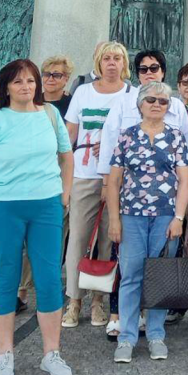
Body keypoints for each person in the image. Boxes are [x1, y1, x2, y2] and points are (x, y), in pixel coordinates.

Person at [0, 59, 74, 375]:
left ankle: (51, 353)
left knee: (50, 277)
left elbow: (66, 156)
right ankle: (5, 355)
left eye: (31, 81)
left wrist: (65, 193)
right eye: (19, 82)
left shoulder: (51, 116)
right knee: (7, 278)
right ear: (6, 86)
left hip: (46, 206)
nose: (27, 87)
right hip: (4, 208)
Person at [106, 81, 188, 363]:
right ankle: (127, 337)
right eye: (151, 100)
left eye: (163, 101)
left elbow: (184, 180)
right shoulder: (127, 136)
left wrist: (179, 218)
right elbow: (115, 180)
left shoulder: (176, 136)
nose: (157, 104)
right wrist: (114, 220)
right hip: (131, 215)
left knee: (160, 275)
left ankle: (155, 335)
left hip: (166, 215)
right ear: (140, 104)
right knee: (131, 275)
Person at [62, 41, 131, 329]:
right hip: (85, 171)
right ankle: (74, 300)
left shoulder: (133, 95)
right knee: (78, 237)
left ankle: (98, 301)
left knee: (108, 239)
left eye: (117, 58)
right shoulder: (83, 92)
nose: (112, 63)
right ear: (98, 63)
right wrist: (63, 178)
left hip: (119, 176)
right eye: (107, 58)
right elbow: (69, 137)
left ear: (124, 64)